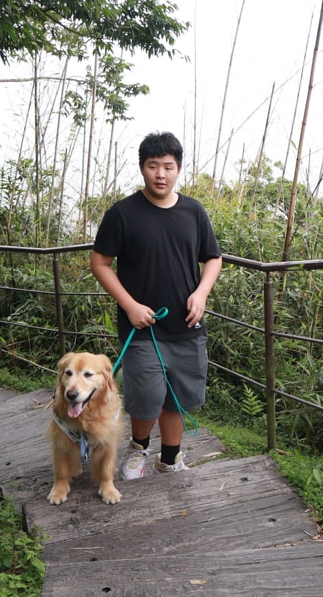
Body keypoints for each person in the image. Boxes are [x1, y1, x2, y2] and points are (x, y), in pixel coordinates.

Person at [90, 131, 222, 478]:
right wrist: (130, 306)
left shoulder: (194, 211)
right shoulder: (122, 213)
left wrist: (201, 293)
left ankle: (171, 458)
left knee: (178, 395)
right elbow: (99, 263)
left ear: (178, 169)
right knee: (147, 395)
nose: (160, 174)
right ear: (142, 168)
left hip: (187, 324)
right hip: (142, 327)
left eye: (168, 166)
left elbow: (213, 258)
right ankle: (139, 448)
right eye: (153, 166)